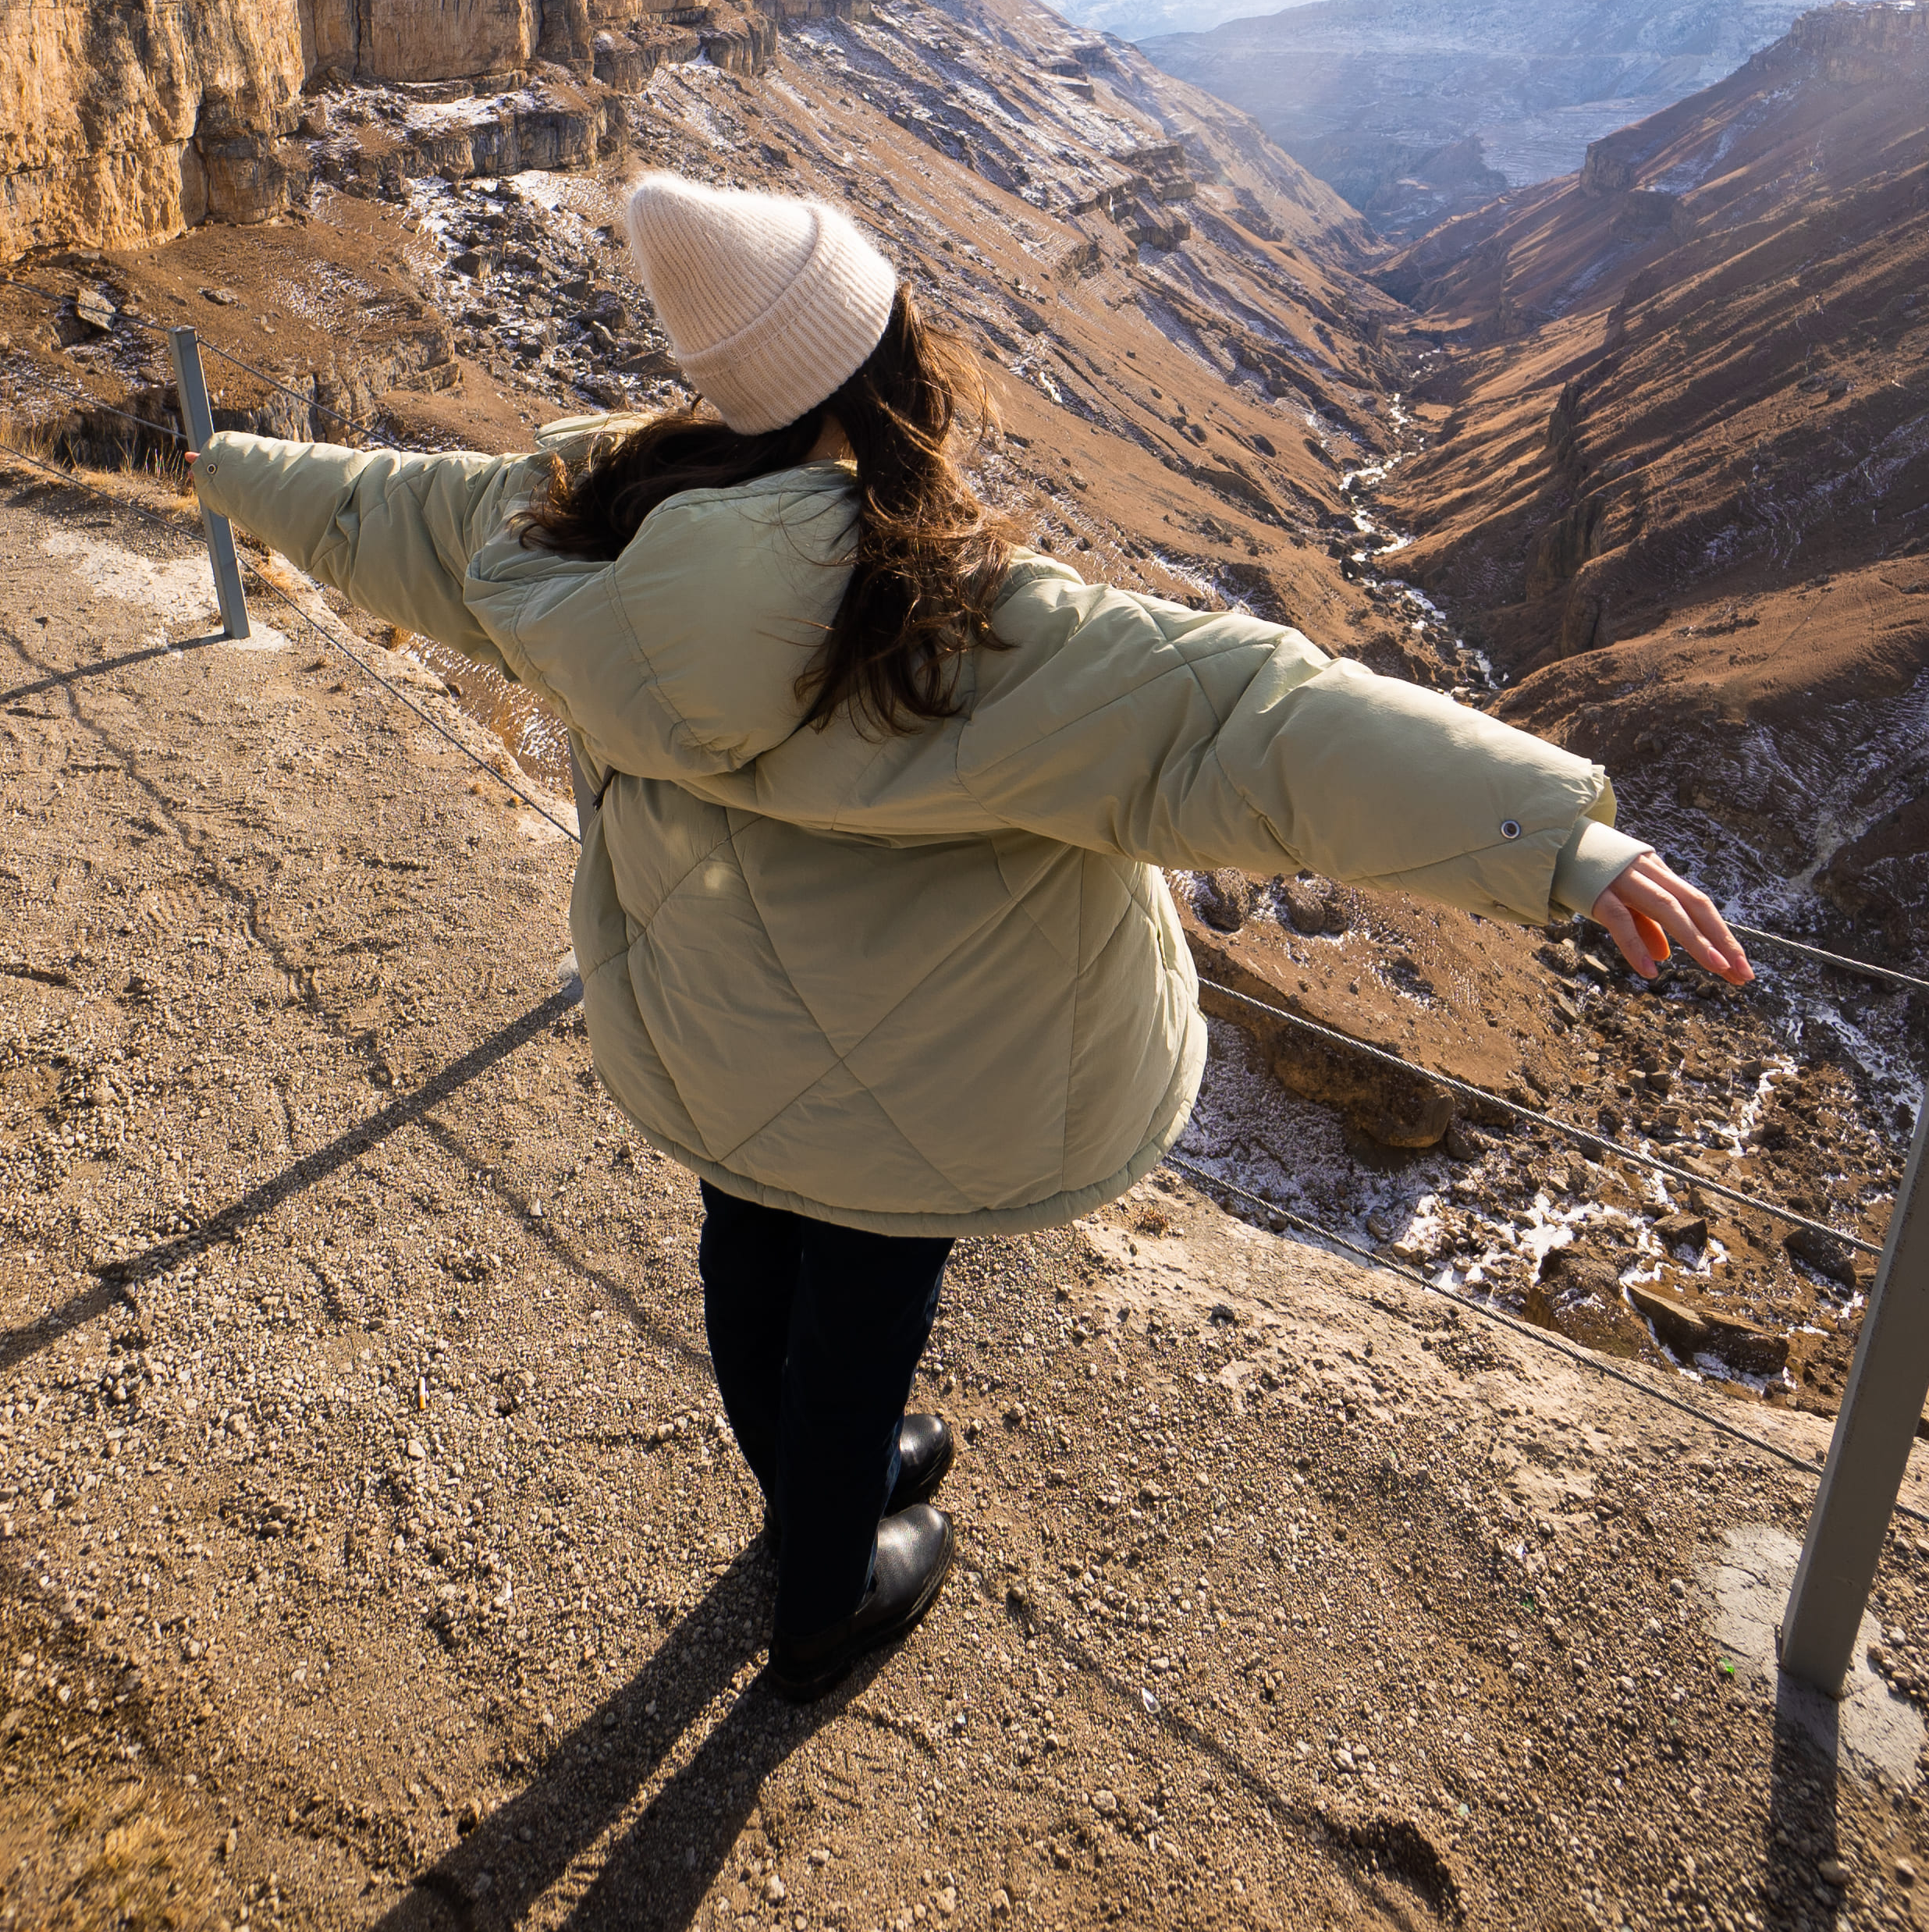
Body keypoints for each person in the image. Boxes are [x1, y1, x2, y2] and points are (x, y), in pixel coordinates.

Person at [189, 175, 1750, 1701]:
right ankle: (822, 1593)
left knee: (749, 1243)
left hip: (713, 1024)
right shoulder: (953, 618)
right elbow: (1244, 716)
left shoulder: (582, 527)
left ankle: (824, 1469)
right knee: (862, 1308)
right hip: (916, 1071)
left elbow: (380, 511)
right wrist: (1552, 839)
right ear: (877, 364)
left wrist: (217, 460)